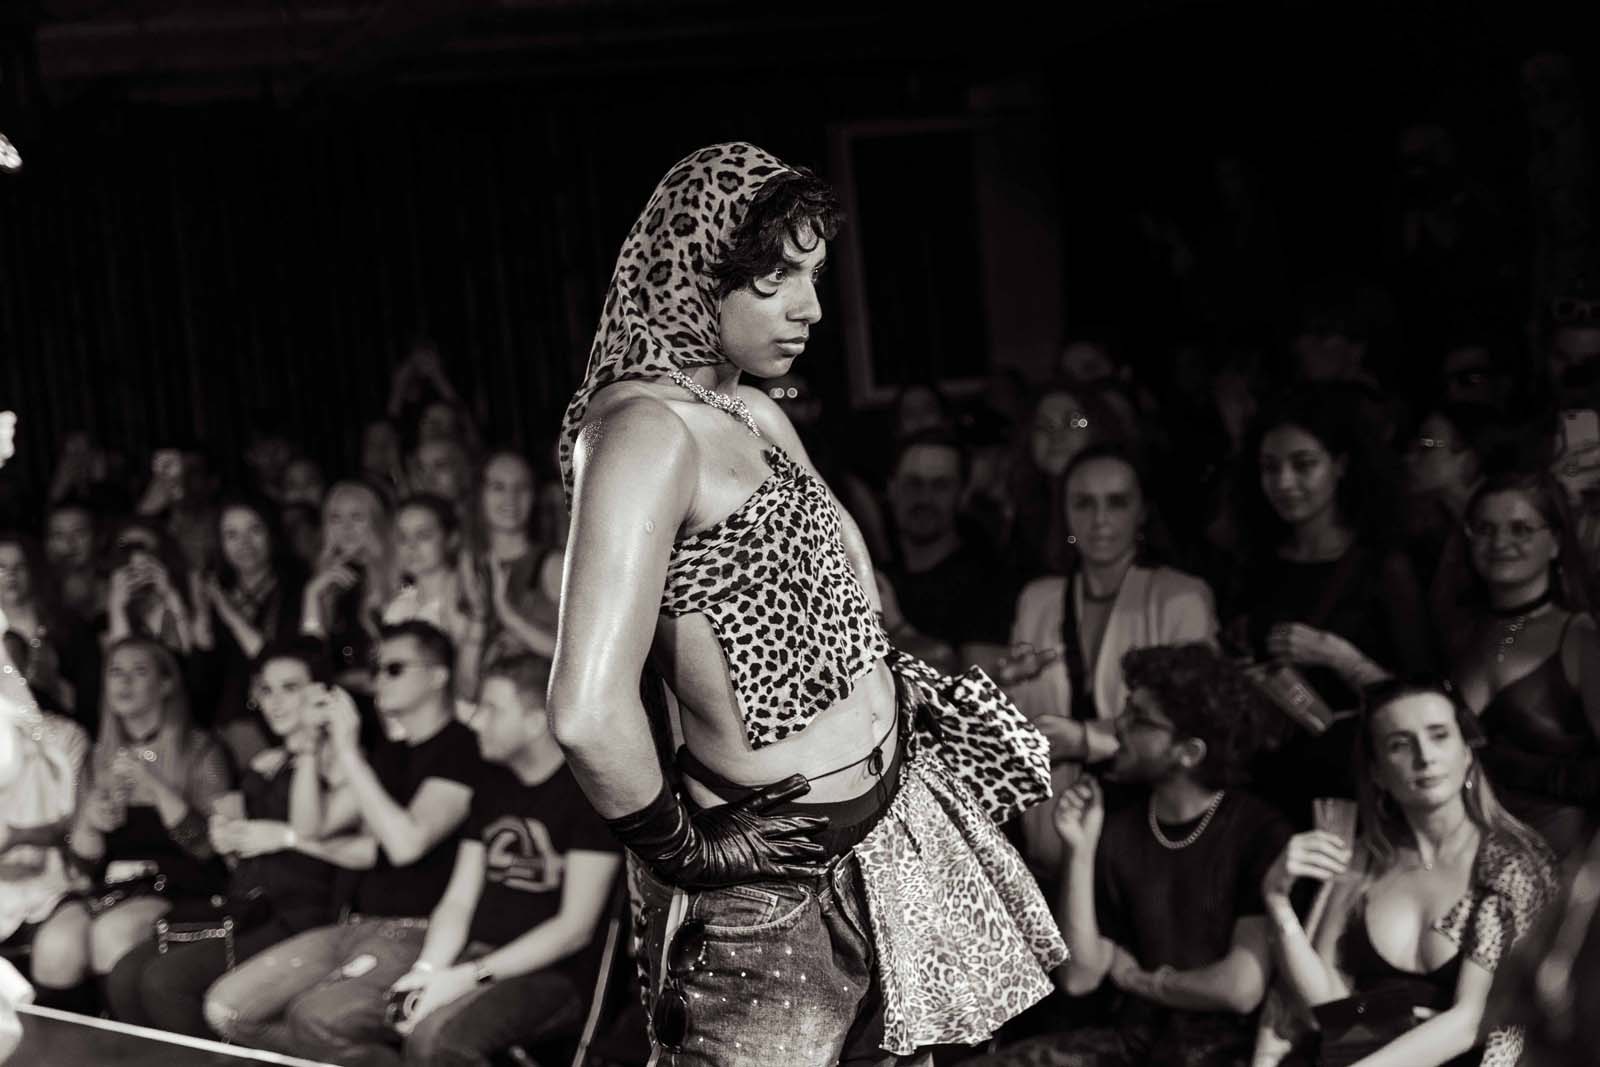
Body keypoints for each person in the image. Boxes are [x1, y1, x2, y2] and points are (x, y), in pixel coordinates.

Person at [549, 143, 1062, 1066]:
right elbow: (587, 710)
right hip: (773, 893)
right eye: (775, 278)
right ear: (697, 271)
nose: (810, 308)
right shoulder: (644, 433)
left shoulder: (750, 410)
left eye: (813, 275)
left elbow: (857, 601)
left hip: (889, 845)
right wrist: (686, 849)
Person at [971, 643, 1291, 1067]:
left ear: (1189, 753)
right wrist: (1080, 851)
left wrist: (1139, 981)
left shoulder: (1257, 831)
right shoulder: (1117, 815)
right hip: (1133, 1042)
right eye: (1126, 708)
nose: (1118, 725)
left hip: (1225, 1052)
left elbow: (1240, 989)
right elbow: (1080, 975)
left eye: (1139, 719)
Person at [203, 620, 482, 1065]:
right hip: (356, 923)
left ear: (437, 676)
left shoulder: (462, 748)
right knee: (227, 1009)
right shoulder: (393, 753)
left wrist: (348, 754)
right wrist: (310, 746)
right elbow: (331, 835)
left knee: (312, 1018)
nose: (378, 679)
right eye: (376, 668)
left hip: (417, 930)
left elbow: (407, 843)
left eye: (394, 668)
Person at [1258, 679, 1558, 1066]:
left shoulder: (1511, 862)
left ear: (1467, 752)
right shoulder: (1366, 857)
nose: (1424, 756)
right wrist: (1276, 900)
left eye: (1439, 736)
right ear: (1378, 772)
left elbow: (1470, 1022)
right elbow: (1329, 1011)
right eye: (1400, 744)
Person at [105, 639, 371, 1036]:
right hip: (248, 906)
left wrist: (282, 831)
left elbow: (310, 831)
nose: (274, 702)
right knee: (125, 976)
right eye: (266, 690)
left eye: (290, 688)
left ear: (321, 694)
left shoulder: (346, 763)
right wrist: (227, 836)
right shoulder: (267, 763)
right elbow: (236, 856)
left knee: (165, 983)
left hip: (302, 914)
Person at [372, 654, 621, 1066]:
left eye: (491, 709)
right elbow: (458, 900)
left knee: (434, 1040)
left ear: (536, 721)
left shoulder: (586, 794)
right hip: (478, 956)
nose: (475, 721)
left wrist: (467, 976)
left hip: (551, 975)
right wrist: (428, 969)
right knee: (376, 1016)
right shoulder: (492, 785)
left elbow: (573, 929)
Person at [1002, 445, 1218, 871]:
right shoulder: (1038, 600)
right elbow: (1017, 720)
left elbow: (1194, 722)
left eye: (1116, 502)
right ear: (1064, 513)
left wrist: (1085, 738)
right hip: (1049, 832)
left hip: (1150, 838)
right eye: (1083, 503)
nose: (1099, 520)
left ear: (1142, 512)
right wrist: (1003, 685)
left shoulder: (1181, 597)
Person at [1227, 386, 1435, 814]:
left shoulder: (1383, 566)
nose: (1284, 483)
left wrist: (1337, 656)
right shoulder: (1257, 563)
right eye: (1270, 468)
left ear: (1340, 465)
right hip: (1270, 778)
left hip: (1355, 781)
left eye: (1303, 465)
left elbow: (1422, 697)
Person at [63, 638, 232, 990]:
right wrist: (90, 822)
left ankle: (117, 1025)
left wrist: (155, 787)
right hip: (115, 887)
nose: (124, 682)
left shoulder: (201, 750)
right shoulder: (98, 756)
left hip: (184, 886)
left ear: (166, 684)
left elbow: (210, 849)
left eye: (139, 671)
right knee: (57, 946)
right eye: (116, 672)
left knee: (110, 933)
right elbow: (81, 868)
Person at [1447, 473, 1600, 857]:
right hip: (1473, 855)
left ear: (1555, 543)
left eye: (1521, 529)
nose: (1500, 543)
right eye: (1485, 529)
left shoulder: (1579, 636)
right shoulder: (1461, 631)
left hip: (1567, 862)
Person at [0, 608, 93, 1014]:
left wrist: (19, 837)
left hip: (50, 890)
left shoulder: (65, 737)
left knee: (60, 953)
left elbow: (76, 825)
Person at [881, 428, 1020, 666]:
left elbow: (973, 677)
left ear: (963, 495)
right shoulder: (875, 578)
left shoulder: (991, 584)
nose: (924, 498)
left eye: (940, 485)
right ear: (892, 489)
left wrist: (897, 629)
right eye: (913, 483)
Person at [192, 497, 309, 767]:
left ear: (272, 534)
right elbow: (202, 685)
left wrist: (227, 611)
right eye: (232, 535)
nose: (244, 543)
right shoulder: (215, 592)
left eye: (254, 530)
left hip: (277, 728)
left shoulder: (296, 590)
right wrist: (202, 619)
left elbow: (276, 659)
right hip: (221, 732)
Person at [383, 495, 487, 701]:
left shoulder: (467, 598)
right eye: (402, 538)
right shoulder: (399, 606)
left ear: (451, 539)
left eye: (423, 535)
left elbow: (468, 685)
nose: (411, 546)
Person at [301, 480, 398, 692]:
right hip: (339, 698)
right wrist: (312, 596)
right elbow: (309, 658)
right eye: (336, 518)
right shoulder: (326, 581)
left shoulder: (397, 576)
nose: (346, 528)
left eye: (357, 517)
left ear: (375, 522)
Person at [0, 531, 100, 725]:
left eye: (20, 566)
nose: (11, 575)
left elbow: (89, 702)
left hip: (60, 732)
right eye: (1, 567)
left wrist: (54, 685)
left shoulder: (69, 629)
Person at [472, 451, 560, 666]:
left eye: (522, 487)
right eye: (498, 487)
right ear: (480, 494)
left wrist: (508, 614)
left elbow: (578, 654)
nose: (511, 497)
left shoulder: (553, 564)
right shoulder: (468, 567)